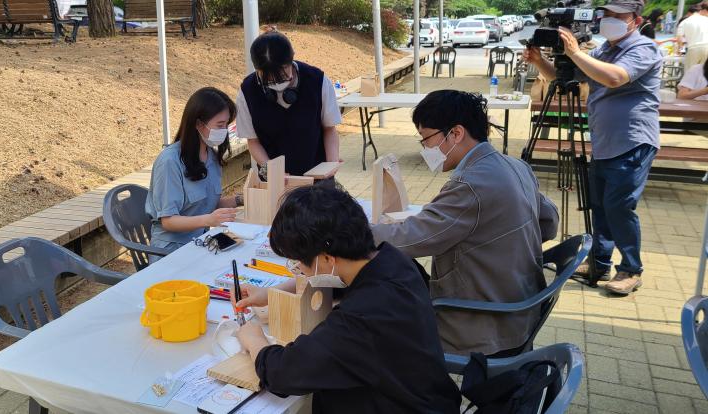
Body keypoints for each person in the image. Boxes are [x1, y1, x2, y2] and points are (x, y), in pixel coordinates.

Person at [233, 184, 461, 414]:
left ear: (327, 259)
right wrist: (271, 293)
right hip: (429, 396)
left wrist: (255, 341)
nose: (299, 269)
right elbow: (339, 281)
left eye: (299, 262)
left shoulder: (360, 320)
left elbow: (284, 373)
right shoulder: (394, 261)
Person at [366, 90, 559, 357]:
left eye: (426, 139)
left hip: (482, 322)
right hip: (521, 308)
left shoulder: (469, 184)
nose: (425, 149)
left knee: (379, 300)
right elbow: (550, 223)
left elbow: (414, 238)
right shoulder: (516, 166)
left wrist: (353, 232)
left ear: (456, 133)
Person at [524, 0, 661, 295]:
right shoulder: (603, 50)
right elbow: (563, 78)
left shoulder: (644, 49)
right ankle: (599, 262)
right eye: (606, 14)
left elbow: (614, 77)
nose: (610, 19)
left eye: (618, 15)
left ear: (636, 20)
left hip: (632, 142)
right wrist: (539, 61)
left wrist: (575, 52)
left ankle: (631, 269)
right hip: (603, 142)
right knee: (599, 205)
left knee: (619, 206)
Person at [144, 87, 241, 254]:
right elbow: (168, 221)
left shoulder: (211, 156)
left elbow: (207, 204)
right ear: (198, 124)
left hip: (201, 241)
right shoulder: (170, 162)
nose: (225, 131)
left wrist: (241, 199)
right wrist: (209, 220)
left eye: (226, 124)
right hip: (170, 250)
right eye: (220, 125)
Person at [235, 31, 342, 177]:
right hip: (275, 181)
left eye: (282, 73)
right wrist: (272, 171)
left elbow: (329, 129)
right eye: (268, 77)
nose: (276, 81)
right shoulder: (247, 91)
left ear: (291, 59)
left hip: (318, 177)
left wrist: (331, 165)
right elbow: (253, 141)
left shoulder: (317, 80)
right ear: (257, 70)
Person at [676, 1, 708, 69]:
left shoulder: (684, 22)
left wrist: (681, 50)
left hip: (693, 49)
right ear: (699, 11)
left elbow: (679, 38)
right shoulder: (706, 19)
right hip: (707, 47)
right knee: (705, 72)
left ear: (689, 13)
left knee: (690, 71)